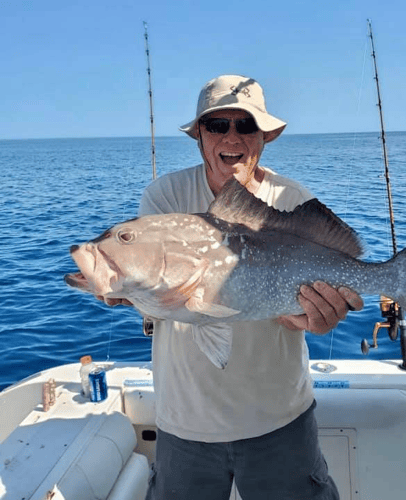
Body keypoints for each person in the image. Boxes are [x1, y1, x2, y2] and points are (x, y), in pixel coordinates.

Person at [135, 75, 363, 499]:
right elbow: (159, 291)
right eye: (218, 125)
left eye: (246, 125)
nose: (232, 136)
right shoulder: (164, 197)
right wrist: (125, 285)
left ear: (265, 136)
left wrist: (315, 317)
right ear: (200, 136)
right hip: (184, 422)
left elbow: (300, 314)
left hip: (279, 420)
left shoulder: (291, 199)